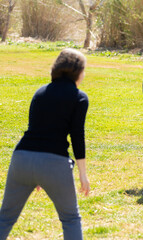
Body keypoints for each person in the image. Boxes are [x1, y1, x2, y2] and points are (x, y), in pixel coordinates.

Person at [0, 48, 90, 240]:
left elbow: (36, 127)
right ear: (78, 72)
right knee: (70, 219)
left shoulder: (40, 92)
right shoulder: (79, 97)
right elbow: (77, 135)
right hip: (54, 163)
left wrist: (35, 175)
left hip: (22, 158)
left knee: (5, 218)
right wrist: (82, 173)